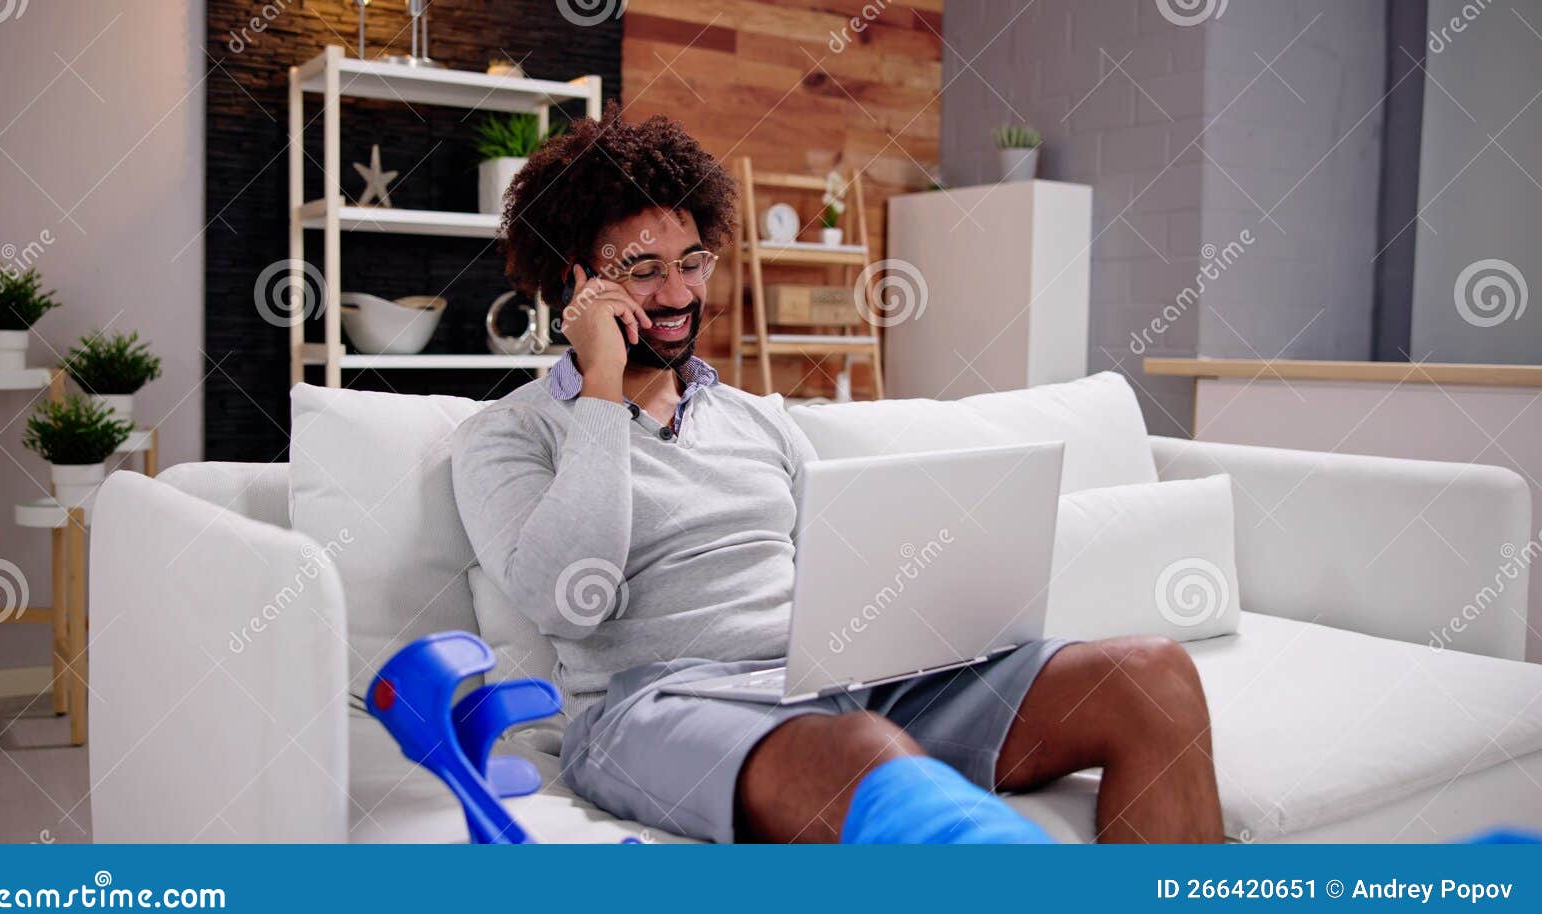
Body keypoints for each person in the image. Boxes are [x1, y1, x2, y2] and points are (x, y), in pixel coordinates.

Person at [451, 103, 1223, 844]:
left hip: (836, 685)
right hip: (658, 706)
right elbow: (566, 600)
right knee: (861, 750)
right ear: (580, 279)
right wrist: (601, 387)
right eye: (644, 270)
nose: (680, 294)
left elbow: (846, 574)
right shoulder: (511, 432)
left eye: (691, 262)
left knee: (1150, 676)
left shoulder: (762, 420)